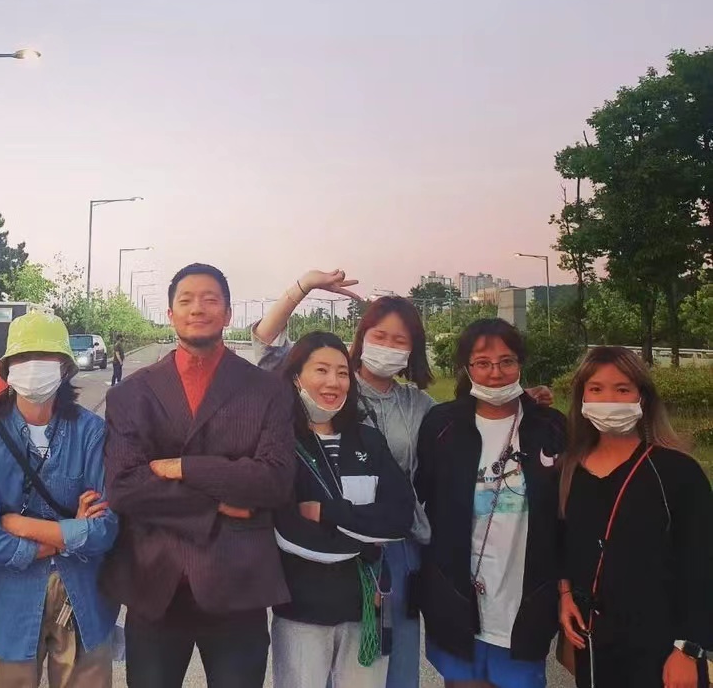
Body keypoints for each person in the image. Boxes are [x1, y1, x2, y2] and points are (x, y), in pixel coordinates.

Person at [255, 268, 555, 688]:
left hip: (395, 546)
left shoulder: (419, 406)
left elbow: (475, 416)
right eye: (379, 336)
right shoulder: (333, 385)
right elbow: (267, 346)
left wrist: (523, 402)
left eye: (400, 340)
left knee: (389, 665)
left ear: (413, 349)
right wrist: (304, 286)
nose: (388, 346)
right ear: (361, 338)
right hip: (322, 541)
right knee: (316, 660)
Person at [102, 262, 296, 688]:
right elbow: (124, 488)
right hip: (155, 585)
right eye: (186, 300)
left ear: (228, 314)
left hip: (238, 586)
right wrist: (220, 502)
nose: (198, 308)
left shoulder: (268, 390)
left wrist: (185, 467)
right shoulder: (130, 394)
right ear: (170, 313)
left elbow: (276, 480)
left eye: (210, 299)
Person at [0, 310, 118, 688]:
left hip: (84, 605)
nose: (34, 366)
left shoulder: (92, 433)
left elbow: (106, 530)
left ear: (64, 367)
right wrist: (70, 533)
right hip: (8, 613)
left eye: (46, 356)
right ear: (8, 369)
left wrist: (20, 524)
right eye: (24, 357)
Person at [415, 318, 565, 688]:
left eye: (506, 361)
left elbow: (565, 513)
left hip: (522, 603)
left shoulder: (550, 426)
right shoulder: (442, 425)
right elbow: (424, 496)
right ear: (466, 368)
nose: (495, 372)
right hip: (456, 598)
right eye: (482, 363)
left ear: (520, 363)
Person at [557, 346, 713, 688]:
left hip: (662, 648)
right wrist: (565, 595)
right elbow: (564, 543)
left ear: (642, 397)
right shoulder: (568, 470)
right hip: (595, 643)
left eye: (622, 389)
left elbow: (702, 565)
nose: (609, 400)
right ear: (581, 397)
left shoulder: (677, 472)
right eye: (596, 389)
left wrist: (689, 649)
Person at [270, 331, 415, 688]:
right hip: (302, 613)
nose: (333, 382)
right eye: (321, 370)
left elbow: (400, 517)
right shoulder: (278, 444)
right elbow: (290, 534)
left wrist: (328, 513)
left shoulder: (368, 440)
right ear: (296, 377)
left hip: (366, 611)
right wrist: (368, 538)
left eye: (342, 372)